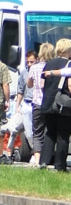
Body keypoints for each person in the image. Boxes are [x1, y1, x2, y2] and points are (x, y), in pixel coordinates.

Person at [38, 38, 71, 171]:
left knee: (50, 132)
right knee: (63, 134)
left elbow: (41, 84)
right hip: (63, 104)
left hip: (47, 102)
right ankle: (60, 165)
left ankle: (44, 162)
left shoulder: (49, 63)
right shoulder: (69, 63)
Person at [27, 42, 54, 167]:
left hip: (37, 102)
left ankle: (37, 159)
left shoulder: (34, 67)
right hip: (50, 103)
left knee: (37, 131)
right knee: (50, 131)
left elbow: (29, 84)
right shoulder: (53, 66)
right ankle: (47, 158)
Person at [15, 49, 36, 157]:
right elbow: (20, 90)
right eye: (28, 62)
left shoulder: (40, 70)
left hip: (37, 104)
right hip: (27, 104)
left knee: (38, 130)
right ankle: (33, 150)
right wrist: (17, 105)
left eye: (31, 62)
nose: (29, 64)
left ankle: (37, 153)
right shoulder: (24, 72)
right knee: (28, 132)